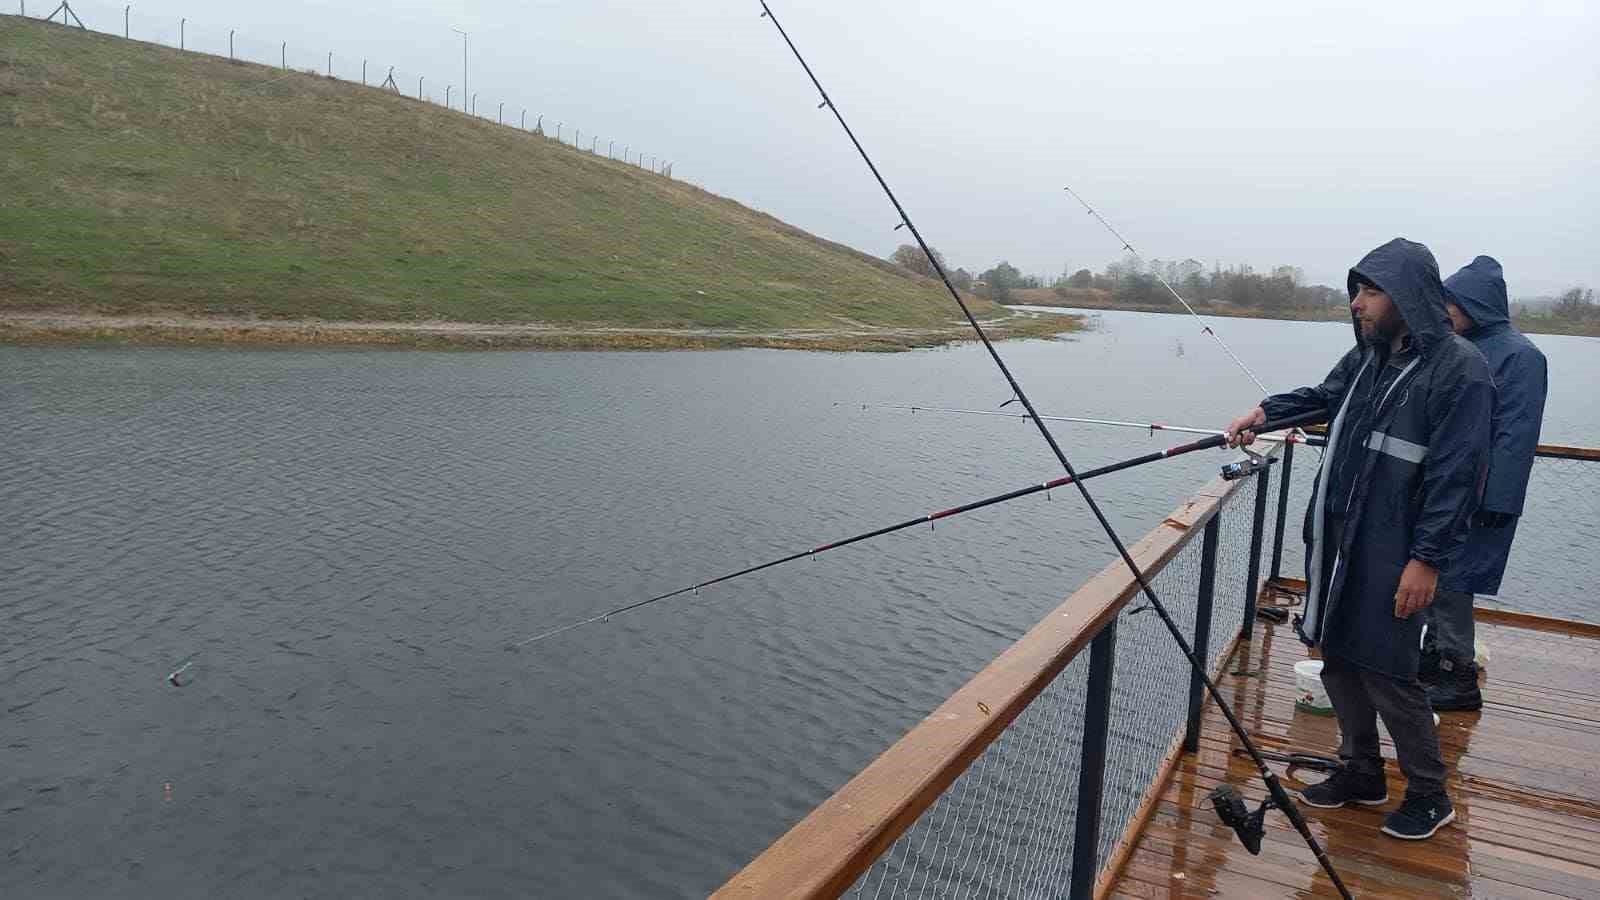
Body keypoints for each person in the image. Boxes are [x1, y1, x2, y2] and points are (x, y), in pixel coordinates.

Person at [1224, 238, 1493, 841]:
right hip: (1338, 536)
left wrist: (1426, 560)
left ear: (1407, 296)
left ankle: (1429, 793)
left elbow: (1457, 476)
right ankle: (1361, 770)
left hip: (1395, 546)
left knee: (1389, 669)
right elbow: (1325, 398)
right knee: (1337, 655)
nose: (1357, 303)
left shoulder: (1461, 369)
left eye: (1371, 291)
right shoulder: (1370, 356)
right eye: (1357, 290)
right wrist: (1267, 413)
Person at [1425, 256, 1549, 711]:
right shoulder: (1458, 347)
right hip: (1447, 490)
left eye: (1451, 304)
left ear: (1475, 304)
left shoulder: (1521, 356)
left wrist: (1497, 498)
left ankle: (1459, 678)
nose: (1444, 313)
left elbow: (1516, 435)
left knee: (1455, 582)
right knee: (1433, 575)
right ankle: (1434, 657)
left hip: (1482, 498)